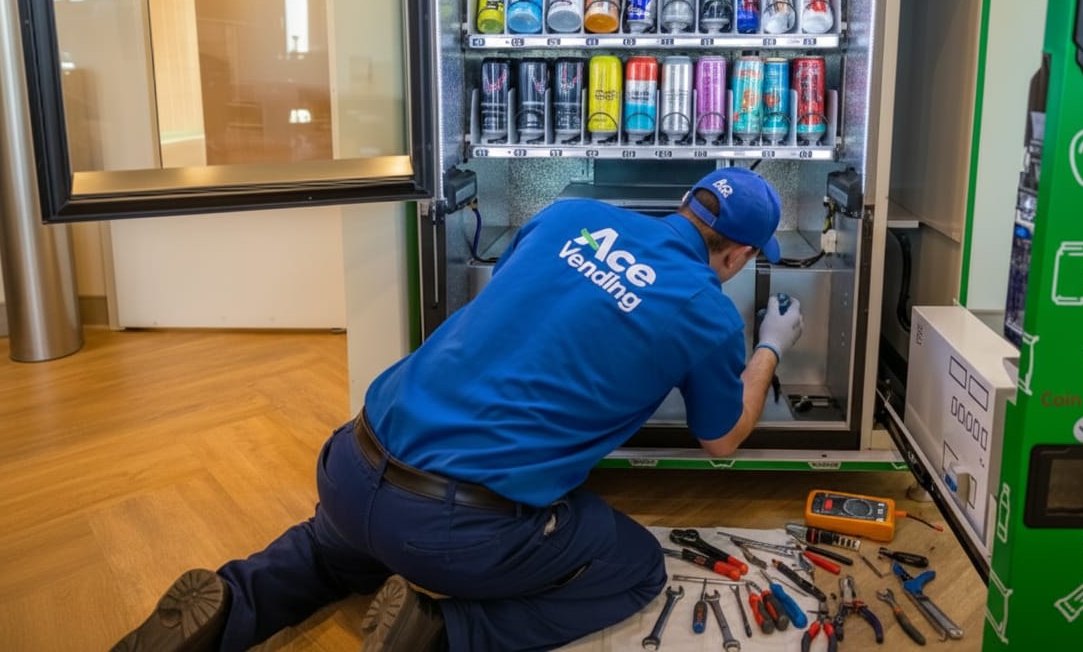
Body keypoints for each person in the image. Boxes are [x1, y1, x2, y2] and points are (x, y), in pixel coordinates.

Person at [112, 167, 804, 652]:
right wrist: (771, 345)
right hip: (454, 528)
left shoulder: (571, 216)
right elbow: (722, 439)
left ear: (685, 205)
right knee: (634, 565)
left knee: (332, 553)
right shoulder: (706, 312)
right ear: (741, 255)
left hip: (353, 461)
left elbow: (519, 297)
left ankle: (232, 604)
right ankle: (440, 633)